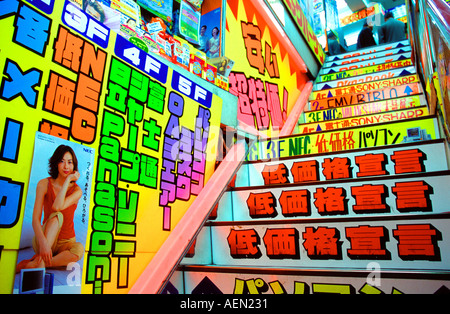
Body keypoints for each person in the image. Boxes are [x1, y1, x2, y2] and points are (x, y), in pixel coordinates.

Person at [17, 145, 83, 271]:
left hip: (66, 243)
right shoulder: (44, 184)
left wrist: (68, 179)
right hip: (46, 237)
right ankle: (41, 264)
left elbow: (58, 205)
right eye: (62, 161)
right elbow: (36, 219)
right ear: (56, 163)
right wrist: (43, 244)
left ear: (74, 166)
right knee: (57, 216)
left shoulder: (77, 191)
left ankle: (38, 263)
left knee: (79, 249)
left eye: (70, 162)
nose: (66, 166)